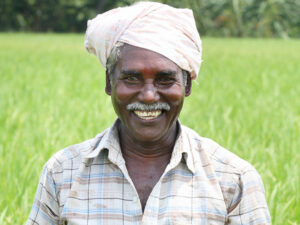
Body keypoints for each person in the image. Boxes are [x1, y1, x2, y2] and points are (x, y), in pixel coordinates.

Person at [27, 2, 270, 224]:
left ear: (186, 85)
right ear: (109, 83)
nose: (149, 95)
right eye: (131, 78)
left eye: (165, 79)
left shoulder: (232, 179)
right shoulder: (62, 173)